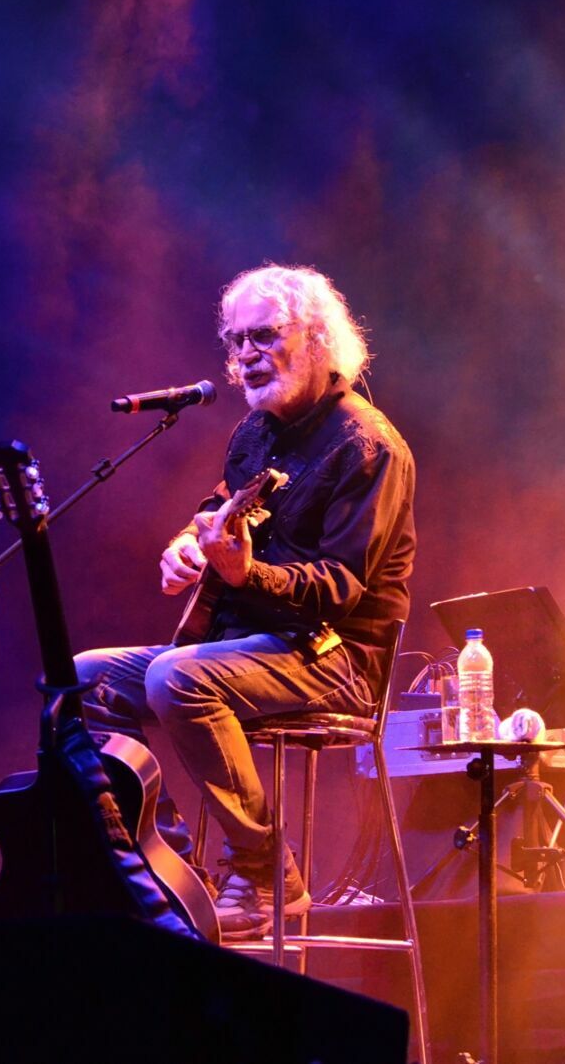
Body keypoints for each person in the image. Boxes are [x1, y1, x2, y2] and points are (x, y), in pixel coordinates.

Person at [74, 264, 417, 938]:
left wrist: (245, 574)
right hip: (250, 647)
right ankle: (165, 858)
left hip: (333, 658)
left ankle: (264, 870)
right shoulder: (254, 434)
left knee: (179, 677)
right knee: (81, 679)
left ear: (318, 340)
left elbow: (340, 591)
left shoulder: (368, 446)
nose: (244, 357)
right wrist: (191, 541)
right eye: (235, 342)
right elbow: (223, 506)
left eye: (263, 336)